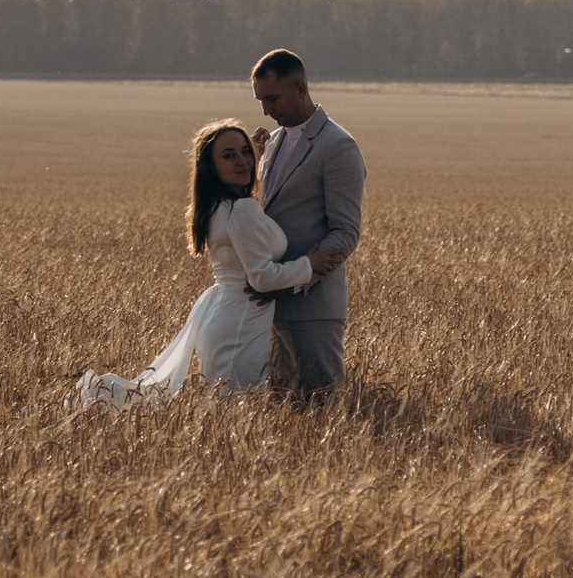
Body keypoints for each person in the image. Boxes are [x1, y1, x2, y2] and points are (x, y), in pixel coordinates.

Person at [75, 119, 319, 409]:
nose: (242, 161)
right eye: (229, 156)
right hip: (240, 322)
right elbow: (262, 279)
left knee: (226, 411)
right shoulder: (243, 209)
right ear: (211, 168)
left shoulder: (215, 205)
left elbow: (247, 224)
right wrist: (310, 264)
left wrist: (251, 152)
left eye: (245, 153)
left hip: (222, 319)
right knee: (236, 412)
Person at [248, 48, 366, 398]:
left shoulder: (338, 145)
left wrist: (301, 275)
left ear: (301, 89)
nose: (266, 109)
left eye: (272, 98)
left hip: (313, 304)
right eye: (260, 101)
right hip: (269, 301)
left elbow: (346, 231)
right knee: (280, 410)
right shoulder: (273, 143)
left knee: (322, 404)